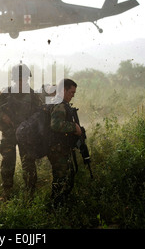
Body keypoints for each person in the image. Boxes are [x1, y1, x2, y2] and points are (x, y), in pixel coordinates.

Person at [0, 63, 43, 200]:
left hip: (26, 136)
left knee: (28, 163)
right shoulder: (5, 93)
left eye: (25, 78)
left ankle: (30, 193)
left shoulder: (32, 95)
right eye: (20, 78)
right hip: (8, 135)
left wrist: (31, 124)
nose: (23, 81)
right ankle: (7, 191)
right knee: (7, 162)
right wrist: (3, 117)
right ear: (14, 79)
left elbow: (40, 113)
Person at [48, 78, 84, 208]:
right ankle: (56, 208)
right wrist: (74, 127)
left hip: (60, 148)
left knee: (65, 178)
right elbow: (55, 125)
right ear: (63, 90)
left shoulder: (59, 103)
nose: (73, 95)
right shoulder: (59, 105)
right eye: (71, 92)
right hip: (58, 149)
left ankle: (58, 205)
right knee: (61, 180)